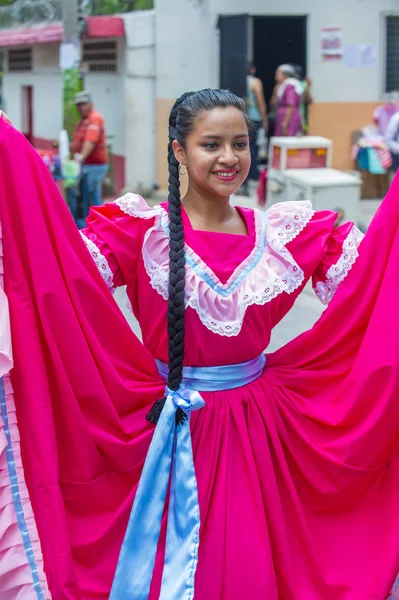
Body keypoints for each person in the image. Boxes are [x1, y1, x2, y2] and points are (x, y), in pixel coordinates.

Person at [2, 91, 399, 599]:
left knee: (248, 570)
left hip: (260, 430)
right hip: (164, 428)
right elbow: (57, 277)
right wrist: (12, 159)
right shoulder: (139, 232)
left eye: (240, 143)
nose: (229, 157)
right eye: (211, 144)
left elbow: (375, 283)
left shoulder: (287, 233)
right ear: (179, 151)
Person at [70, 90, 109, 208]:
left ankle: (99, 223)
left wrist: (80, 157)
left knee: (93, 197)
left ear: (90, 104)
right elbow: (78, 142)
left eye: (83, 104)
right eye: (79, 105)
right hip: (86, 165)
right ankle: (87, 222)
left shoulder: (94, 118)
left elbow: (91, 141)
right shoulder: (82, 121)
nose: (81, 107)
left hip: (95, 166)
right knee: (85, 197)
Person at [274, 63, 303, 136]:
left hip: (289, 118)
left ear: (286, 75)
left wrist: (285, 123)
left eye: (278, 74)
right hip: (287, 116)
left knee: (288, 142)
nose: (276, 76)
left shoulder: (290, 86)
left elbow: (291, 104)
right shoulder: (284, 85)